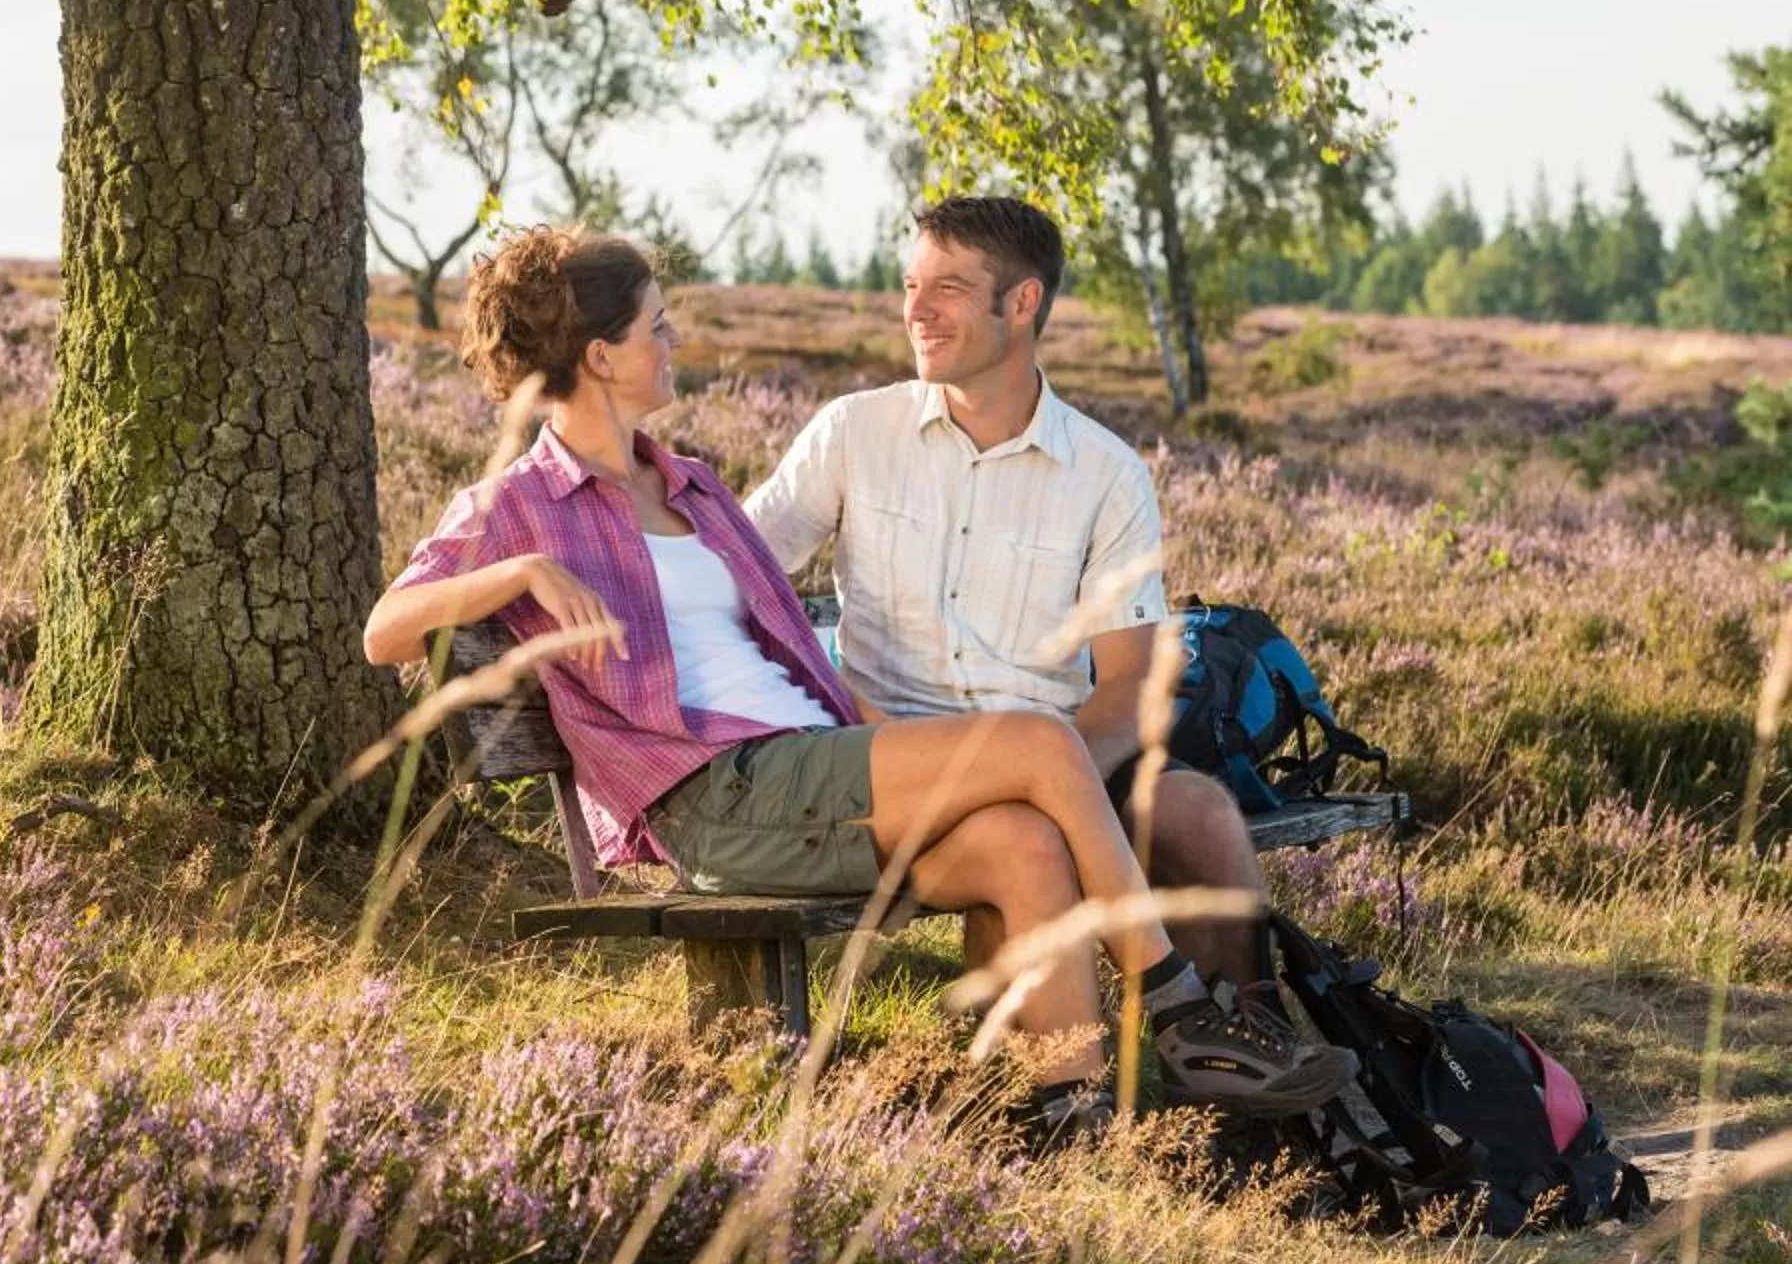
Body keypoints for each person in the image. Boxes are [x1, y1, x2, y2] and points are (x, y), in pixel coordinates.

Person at [363, 225, 1354, 1140]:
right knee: (1038, 742)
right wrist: (521, 572)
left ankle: (1068, 1124)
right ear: (601, 356)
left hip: (805, 763)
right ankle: (1180, 1007)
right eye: (657, 326)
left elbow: (783, 639)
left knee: (1025, 840)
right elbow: (384, 632)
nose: (674, 341)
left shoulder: (694, 486)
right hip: (719, 790)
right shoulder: (522, 503)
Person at [743, 194, 1271, 997]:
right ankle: (1035, 1101)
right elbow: (735, 577)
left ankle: (1240, 1068)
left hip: (1057, 757)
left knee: (1198, 815)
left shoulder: (1106, 472)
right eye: (911, 285)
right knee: (1027, 837)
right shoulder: (852, 432)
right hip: (893, 766)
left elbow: (1132, 679)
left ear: (1022, 303)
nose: (916, 310)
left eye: (946, 288)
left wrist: (1067, 782)